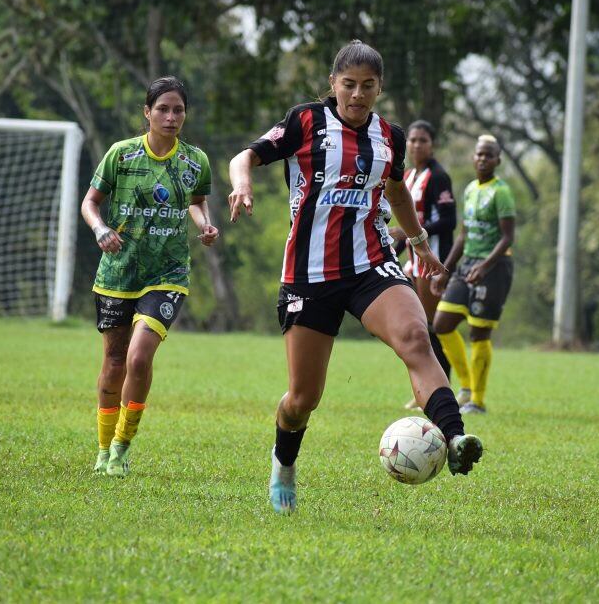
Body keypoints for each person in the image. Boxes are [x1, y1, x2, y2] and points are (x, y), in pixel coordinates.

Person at [227, 40, 483, 515]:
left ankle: (456, 437)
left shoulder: (391, 136)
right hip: (310, 274)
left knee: (414, 337)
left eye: (368, 86)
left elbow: (396, 191)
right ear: (333, 84)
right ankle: (284, 464)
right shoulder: (305, 121)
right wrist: (242, 183)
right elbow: (244, 157)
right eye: (349, 84)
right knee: (303, 399)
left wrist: (421, 243)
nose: (358, 94)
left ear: (379, 88)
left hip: (372, 262)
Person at [80, 76, 218, 477]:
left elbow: (197, 202)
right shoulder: (121, 155)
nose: (171, 117)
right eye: (163, 109)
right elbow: (90, 202)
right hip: (118, 274)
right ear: (147, 112)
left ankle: (121, 448)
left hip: (168, 271)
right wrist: (101, 229)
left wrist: (204, 224)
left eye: (178, 110)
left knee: (139, 358)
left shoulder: (196, 160)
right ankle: (103, 447)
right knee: (114, 362)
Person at [430, 135, 516, 415]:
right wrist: (445, 270)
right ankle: (465, 387)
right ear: (473, 157)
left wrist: (485, 266)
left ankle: (477, 400)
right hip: (468, 264)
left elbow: (507, 237)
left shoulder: (501, 192)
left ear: (497, 161)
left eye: (489, 155)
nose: (482, 159)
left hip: (495, 268)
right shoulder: (469, 190)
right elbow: (463, 236)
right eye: (479, 154)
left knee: (479, 332)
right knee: (442, 323)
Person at [390, 120, 457, 409]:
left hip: (433, 261)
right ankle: (431, 389)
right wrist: (399, 243)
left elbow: (448, 220)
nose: (417, 145)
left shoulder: (438, 177)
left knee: (432, 327)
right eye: (413, 140)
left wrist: (410, 234)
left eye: (423, 140)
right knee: (420, 325)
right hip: (413, 262)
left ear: (432, 144)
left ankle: (443, 388)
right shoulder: (409, 175)